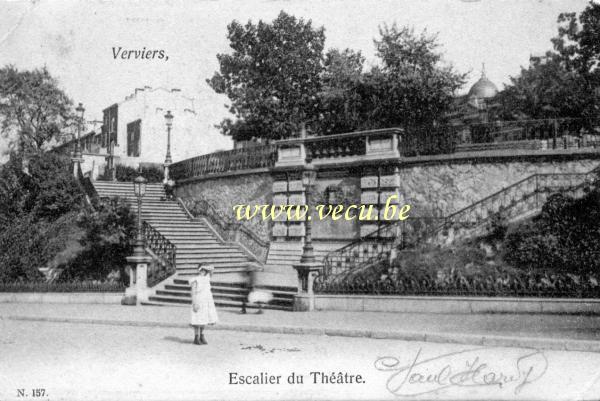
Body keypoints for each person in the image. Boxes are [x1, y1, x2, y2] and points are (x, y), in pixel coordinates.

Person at [190, 263, 218, 345]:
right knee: (197, 319)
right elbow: (193, 292)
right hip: (198, 300)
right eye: (201, 270)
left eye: (204, 270)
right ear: (198, 270)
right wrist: (195, 303)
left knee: (204, 319)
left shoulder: (207, 278)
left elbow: (212, 269)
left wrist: (205, 267)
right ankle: (196, 337)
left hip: (207, 301)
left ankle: (202, 335)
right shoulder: (195, 279)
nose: (202, 272)